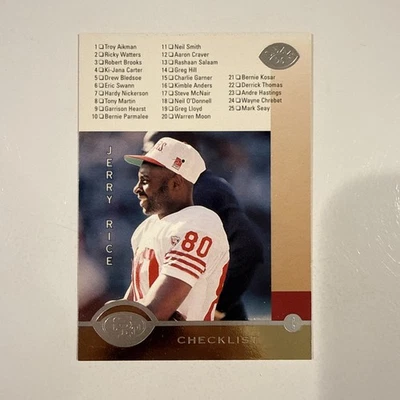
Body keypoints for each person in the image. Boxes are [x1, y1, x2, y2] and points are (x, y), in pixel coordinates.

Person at [142, 132, 264, 320]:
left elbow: (249, 246)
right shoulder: (193, 189)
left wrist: (218, 306)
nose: (148, 159)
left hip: (210, 323)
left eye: (156, 151)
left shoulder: (203, 189)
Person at [122, 137, 230, 321]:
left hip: (186, 340)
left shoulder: (200, 222)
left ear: (176, 183)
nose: (136, 189)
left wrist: (120, 315)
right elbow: (132, 303)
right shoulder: (145, 228)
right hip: (146, 338)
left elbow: (155, 312)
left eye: (145, 180)